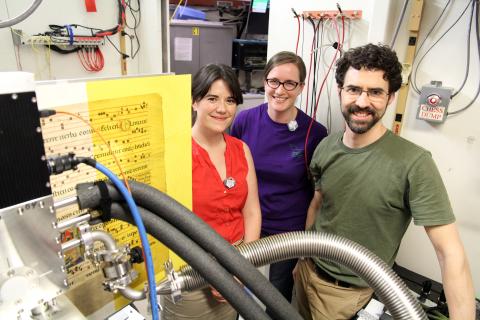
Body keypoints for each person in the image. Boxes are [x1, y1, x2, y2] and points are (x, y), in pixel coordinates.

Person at [294, 43, 475, 320]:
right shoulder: (326, 147)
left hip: (348, 295)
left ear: (390, 97)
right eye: (354, 89)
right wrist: (302, 259)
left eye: (375, 92)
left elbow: (449, 253)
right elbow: (318, 205)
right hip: (307, 273)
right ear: (340, 90)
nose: (362, 102)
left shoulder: (414, 163)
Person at [230, 51, 328, 314]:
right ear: (265, 82)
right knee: (238, 292)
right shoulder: (244, 120)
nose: (280, 90)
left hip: (286, 233)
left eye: (289, 83)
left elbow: (317, 195)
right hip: (246, 227)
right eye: (274, 81)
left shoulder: (315, 133)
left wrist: (305, 249)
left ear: (301, 87)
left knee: (275, 300)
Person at [161, 64, 261, 320]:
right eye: (212, 98)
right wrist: (211, 271)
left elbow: (251, 213)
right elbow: (168, 226)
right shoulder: (176, 152)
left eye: (229, 100)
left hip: (236, 266)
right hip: (190, 273)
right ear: (195, 102)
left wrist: (241, 269)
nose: (222, 108)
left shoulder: (242, 150)